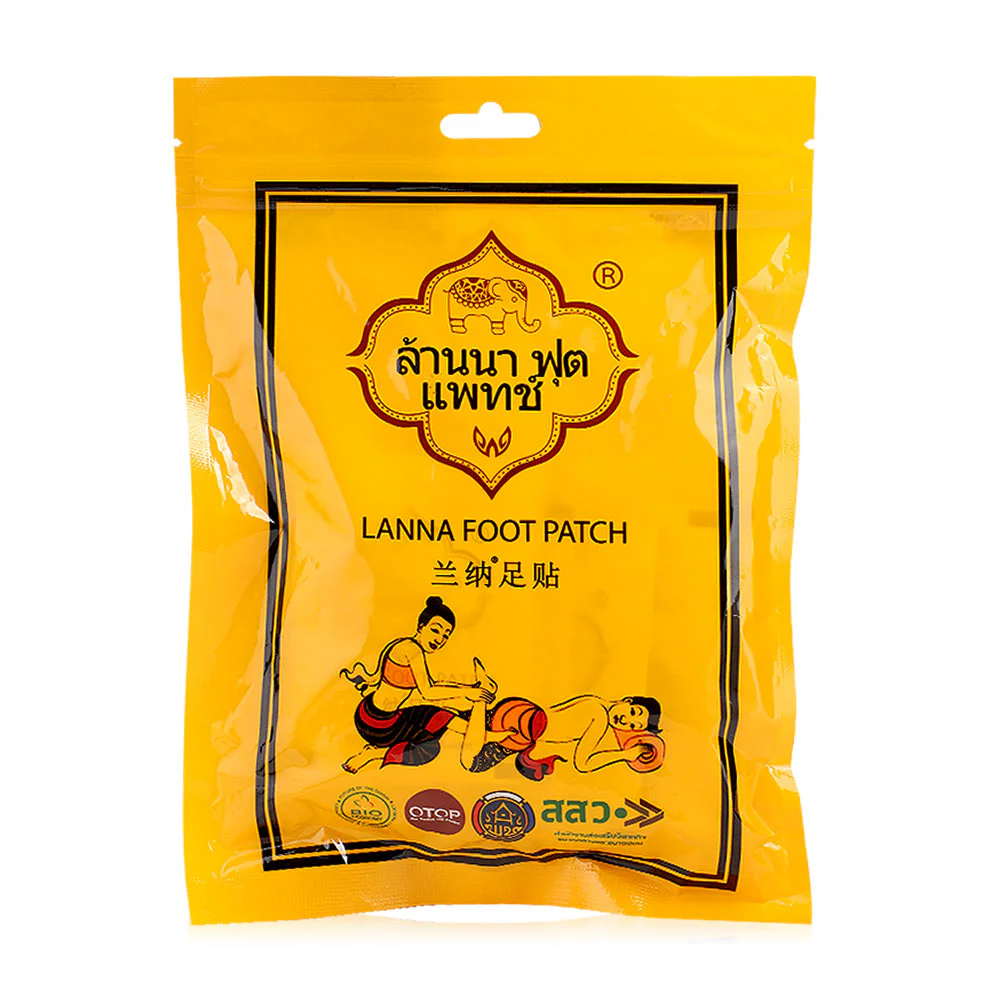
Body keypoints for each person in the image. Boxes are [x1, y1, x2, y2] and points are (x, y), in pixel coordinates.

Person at [340, 597, 493, 772]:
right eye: (435, 630)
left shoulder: (406, 645)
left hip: (375, 714)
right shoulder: (411, 650)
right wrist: (467, 693)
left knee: (436, 714)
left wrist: (467, 690)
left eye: (446, 635)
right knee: (429, 747)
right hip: (379, 725)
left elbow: (432, 685)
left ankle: (484, 734)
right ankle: (375, 754)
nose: (440, 639)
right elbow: (428, 691)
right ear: (421, 627)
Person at [462, 692, 663, 779]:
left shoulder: (594, 700)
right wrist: (625, 755)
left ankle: (476, 702)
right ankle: (481, 698)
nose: (626, 720)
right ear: (627, 701)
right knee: (473, 763)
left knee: (461, 724)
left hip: (525, 715)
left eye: (633, 726)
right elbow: (583, 764)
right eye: (633, 712)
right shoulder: (599, 717)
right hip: (525, 726)